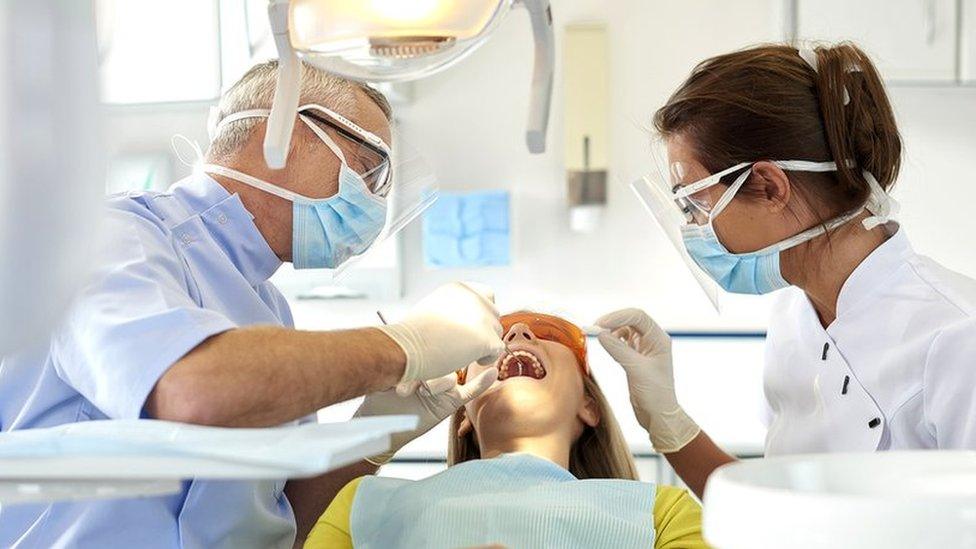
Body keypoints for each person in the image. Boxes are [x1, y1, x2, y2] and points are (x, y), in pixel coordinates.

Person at [0, 60, 506, 548]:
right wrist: (405, 346)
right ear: (278, 135)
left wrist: (381, 425)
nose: (373, 202)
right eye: (368, 170)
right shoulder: (114, 239)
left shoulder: (268, 309)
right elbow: (191, 391)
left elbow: (283, 516)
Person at [597, 42, 976, 499]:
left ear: (769, 185)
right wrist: (668, 422)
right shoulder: (793, 322)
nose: (693, 229)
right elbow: (780, 508)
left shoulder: (957, 337)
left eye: (695, 204)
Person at [305, 312, 707, 549]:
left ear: (589, 406)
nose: (516, 335)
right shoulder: (364, 505)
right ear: (463, 414)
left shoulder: (659, 513)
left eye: (548, 332)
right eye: (494, 341)